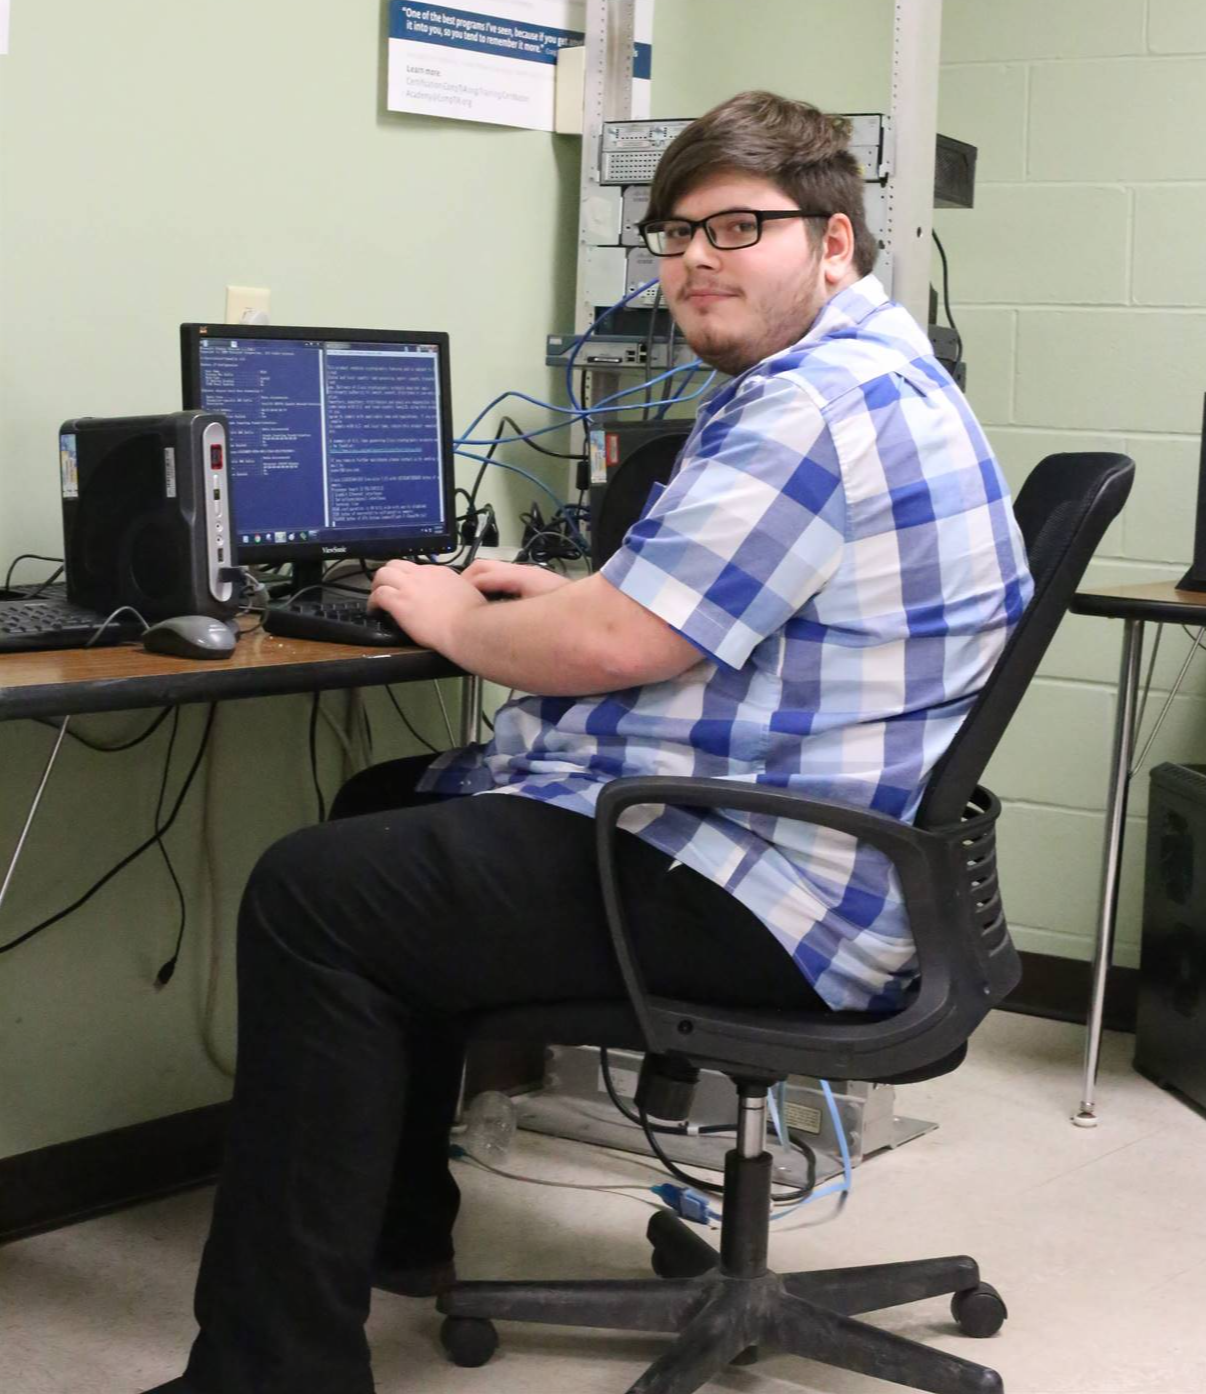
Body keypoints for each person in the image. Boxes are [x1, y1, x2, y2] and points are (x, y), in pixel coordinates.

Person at [143, 89, 1031, 1394]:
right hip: (827, 850)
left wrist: (452, 609)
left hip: (762, 883)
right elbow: (686, 606)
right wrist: (542, 601)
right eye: (674, 235)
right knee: (382, 805)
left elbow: (622, 647)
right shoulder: (864, 375)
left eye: (739, 228)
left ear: (833, 242)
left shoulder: (812, 406)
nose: (694, 263)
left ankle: (271, 1374)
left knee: (310, 896)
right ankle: (395, 1233)